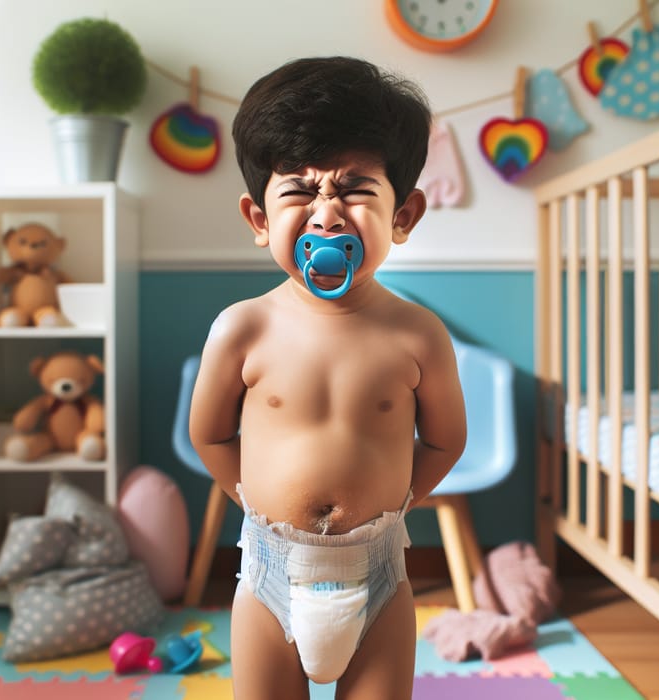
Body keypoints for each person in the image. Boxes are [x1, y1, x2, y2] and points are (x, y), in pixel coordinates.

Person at [189, 56, 466, 700]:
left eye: (355, 189)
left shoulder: (418, 334)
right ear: (259, 220)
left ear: (404, 214)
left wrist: (391, 505)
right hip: (269, 576)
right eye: (298, 191)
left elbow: (447, 441)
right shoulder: (242, 329)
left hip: (379, 576)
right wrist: (258, 503)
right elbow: (208, 434)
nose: (327, 214)